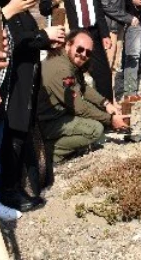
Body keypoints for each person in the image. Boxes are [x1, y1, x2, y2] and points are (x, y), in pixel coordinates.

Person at [0, 0, 68, 212]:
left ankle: (18, 186)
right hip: (8, 80)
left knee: (21, 131)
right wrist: (40, 37)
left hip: (27, 75)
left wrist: (47, 37)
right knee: (10, 134)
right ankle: (6, 191)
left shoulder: (17, 1)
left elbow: (28, 36)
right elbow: (0, 41)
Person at [39, 0, 114, 101]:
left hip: (93, 32)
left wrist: (104, 33)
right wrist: (54, 0)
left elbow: (97, 6)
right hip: (71, 35)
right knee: (72, 79)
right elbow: (43, 9)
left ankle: (108, 115)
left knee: (104, 77)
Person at [38, 30, 129, 163]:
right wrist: (110, 120)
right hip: (45, 122)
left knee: (94, 119)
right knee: (95, 129)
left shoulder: (66, 60)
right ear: (68, 45)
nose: (83, 55)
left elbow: (83, 87)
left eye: (88, 52)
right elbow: (79, 108)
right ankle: (49, 154)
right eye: (80, 49)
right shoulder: (62, 69)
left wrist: (106, 104)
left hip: (55, 114)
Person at [94, 0, 137, 96]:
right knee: (106, 66)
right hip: (108, 26)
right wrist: (127, 18)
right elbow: (104, 3)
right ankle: (105, 101)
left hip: (117, 26)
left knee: (113, 65)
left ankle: (110, 97)